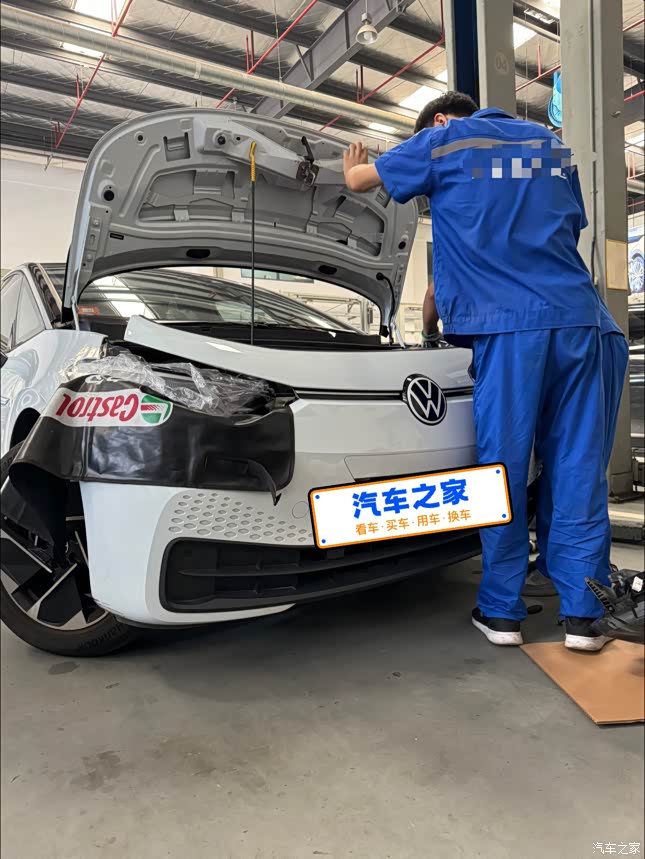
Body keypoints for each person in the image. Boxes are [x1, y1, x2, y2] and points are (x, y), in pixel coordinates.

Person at [343, 91, 612, 651]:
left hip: (509, 329)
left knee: (502, 472)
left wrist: (351, 166)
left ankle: (501, 612)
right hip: (580, 320)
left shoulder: (445, 140)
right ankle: (585, 616)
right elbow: (562, 230)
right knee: (578, 468)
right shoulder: (549, 146)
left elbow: (362, 182)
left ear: (440, 119)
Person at [530, 296, 629, 621]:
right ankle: (573, 569)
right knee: (575, 463)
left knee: (569, 467)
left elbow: (434, 296)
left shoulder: (476, 261)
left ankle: (575, 575)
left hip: (561, 335)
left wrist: (429, 334)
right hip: (593, 328)